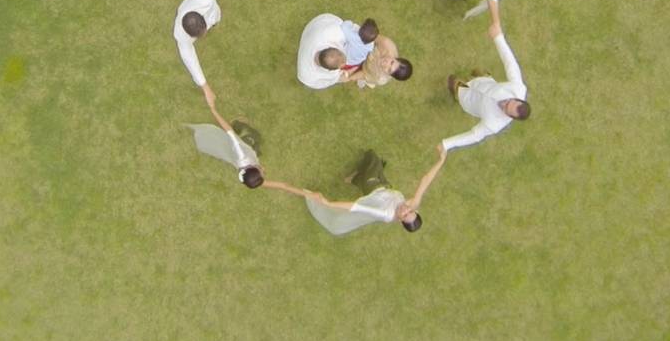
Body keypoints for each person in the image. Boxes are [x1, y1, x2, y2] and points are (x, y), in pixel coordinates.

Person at [264, 146, 448, 235]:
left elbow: (355, 207)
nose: (405, 209)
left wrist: (328, 203)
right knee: (376, 166)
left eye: (404, 215)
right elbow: (425, 181)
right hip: (386, 186)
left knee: (373, 158)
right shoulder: (411, 203)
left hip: (374, 187)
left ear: (400, 221)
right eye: (410, 211)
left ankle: (357, 177)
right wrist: (441, 160)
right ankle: (356, 178)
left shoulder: (384, 213)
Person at [441, 13, 530, 153]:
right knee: (478, 72)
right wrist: (498, 37)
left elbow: (474, 136)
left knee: (453, 81)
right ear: (516, 98)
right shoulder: (518, 88)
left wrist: (447, 144)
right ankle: (475, 76)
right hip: (485, 81)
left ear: (509, 117)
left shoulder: (493, 124)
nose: (504, 103)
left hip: (468, 99)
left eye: (506, 107)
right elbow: (510, 63)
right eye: (509, 101)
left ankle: (455, 90)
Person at [173, 0, 236, 107]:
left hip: (211, 12)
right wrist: (205, 87)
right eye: (200, 35)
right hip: (204, 13)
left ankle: (215, 19)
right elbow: (189, 59)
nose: (204, 35)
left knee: (216, 15)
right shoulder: (181, 36)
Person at [186, 101, 295, 190]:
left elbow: (228, 131)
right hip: (246, 155)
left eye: (262, 173)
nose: (264, 172)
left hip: (239, 147)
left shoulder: (241, 154)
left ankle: (237, 125)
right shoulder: (246, 176)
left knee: (244, 137)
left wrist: (213, 109)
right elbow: (281, 185)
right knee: (255, 140)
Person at [296, 14, 378, 90]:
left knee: (353, 70)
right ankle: (366, 77)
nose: (344, 58)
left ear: (331, 48)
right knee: (354, 70)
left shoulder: (333, 32)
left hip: (315, 28)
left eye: (339, 54)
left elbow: (343, 25)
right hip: (313, 29)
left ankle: (365, 77)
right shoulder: (325, 75)